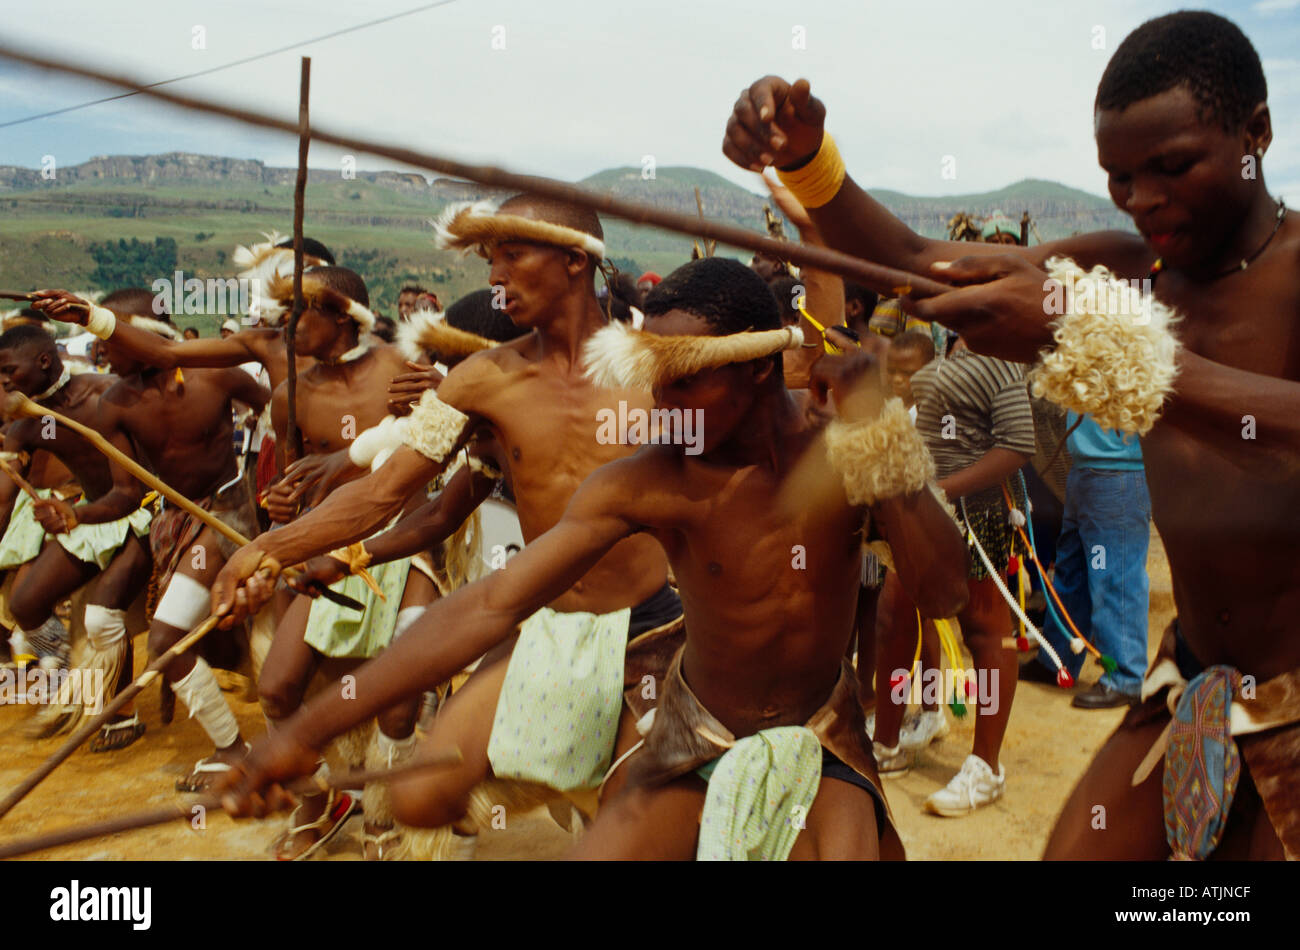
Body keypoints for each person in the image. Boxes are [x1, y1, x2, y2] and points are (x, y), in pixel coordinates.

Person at [722, 10, 1298, 857]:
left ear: (1258, 133)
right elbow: (923, 266)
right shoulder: (1132, 268)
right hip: (1200, 683)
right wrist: (812, 165)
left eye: (1171, 167)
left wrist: (1099, 339)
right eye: (1118, 177)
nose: (1141, 200)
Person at [218, 257, 970, 859]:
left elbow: (943, 594)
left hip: (822, 729)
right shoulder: (648, 480)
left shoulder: (842, 455)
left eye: (684, 386)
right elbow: (493, 602)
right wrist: (302, 732)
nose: (660, 409)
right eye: (655, 385)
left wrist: (881, 441)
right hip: (693, 730)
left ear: (757, 369)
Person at [210, 194, 682, 855]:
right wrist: (268, 548)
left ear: (576, 261)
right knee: (421, 794)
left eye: (513, 256)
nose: (495, 278)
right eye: (491, 261)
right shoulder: (482, 381)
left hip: (650, 628)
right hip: (535, 619)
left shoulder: (660, 371)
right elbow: (385, 492)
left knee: (628, 835)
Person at [34, 287, 271, 788]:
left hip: (230, 516)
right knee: (144, 626)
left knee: (166, 639)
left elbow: (278, 411)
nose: (100, 351)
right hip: (171, 525)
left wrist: (286, 478)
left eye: (110, 341)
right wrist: (75, 516)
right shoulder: (114, 405)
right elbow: (124, 495)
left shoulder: (217, 375)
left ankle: (233, 749)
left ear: (144, 339)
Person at [0, 320, 156, 748]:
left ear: (44, 361)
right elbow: (2, 498)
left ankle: (120, 714)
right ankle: (72, 678)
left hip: (143, 514)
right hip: (87, 520)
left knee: (104, 613)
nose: (4, 381)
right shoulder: (27, 424)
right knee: (25, 604)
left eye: (9, 371)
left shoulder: (106, 393)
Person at [1028, 412, 1151, 709]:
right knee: (1072, 570)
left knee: (1114, 575)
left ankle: (1126, 677)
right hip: (1086, 468)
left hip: (1117, 471)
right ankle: (1057, 659)